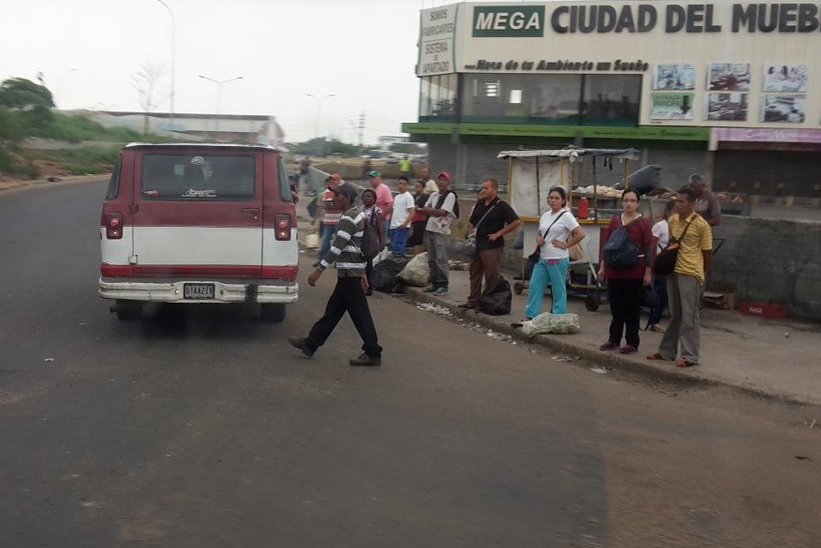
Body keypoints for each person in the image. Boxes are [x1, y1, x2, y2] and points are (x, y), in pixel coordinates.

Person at [289, 183, 382, 367]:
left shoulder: (349, 217)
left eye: (338, 195)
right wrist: (362, 270)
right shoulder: (356, 214)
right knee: (333, 312)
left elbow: (337, 247)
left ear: (347, 197)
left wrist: (319, 270)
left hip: (349, 273)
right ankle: (311, 343)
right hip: (350, 272)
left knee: (360, 314)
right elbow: (357, 246)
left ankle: (373, 351)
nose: (333, 198)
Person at [647, 185, 713, 368]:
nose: (678, 204)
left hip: (691, 273)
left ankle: (690, 355)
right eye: (677, 200)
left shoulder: (702, 225)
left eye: (682, 201)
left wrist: (704, 276)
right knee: (675, 314)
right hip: (673, 271)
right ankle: (667, 352)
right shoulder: (673, 220)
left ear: (692, 203)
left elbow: (707, 254)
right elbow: (671, 244)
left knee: (689, 316)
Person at [597, 189, 654, 355]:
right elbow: (607, 246)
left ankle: (632, 342)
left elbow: (648, 248)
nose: (629, 203)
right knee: (616, 307)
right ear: (622, 202)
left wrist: (648, 272)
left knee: (632, 308)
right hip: (615, 271)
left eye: (632, 200)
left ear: (637, 203)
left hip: (634, 271)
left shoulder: (643, 223)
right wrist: (602, 266)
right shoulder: (615, 221)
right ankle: (614, 339)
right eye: (626, 200)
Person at [459, 178, 521, 310]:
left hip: (492, 247)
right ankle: (473, 300)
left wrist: (499, 234)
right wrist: (469, 232)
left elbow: (516, 222)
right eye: (482, 188)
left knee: (491, 276)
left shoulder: (501, 205)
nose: (483, 190)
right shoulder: (480, 203)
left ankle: (487, 301)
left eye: (486, 188)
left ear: (494, 189)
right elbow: (472, 221)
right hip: (477, 245)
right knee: (474, 274)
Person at [525, 186, 585, 319]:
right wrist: (538, 239)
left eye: (557, 198)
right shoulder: (545, 215)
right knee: (535, 286)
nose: (553, 200)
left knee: (558, 289)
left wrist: (566, 245)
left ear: (563, 200)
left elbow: (580, 234)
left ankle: (558, 316)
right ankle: (531, 315)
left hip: (557, 258)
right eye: (551, 198)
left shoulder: (566, 216)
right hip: (542, 257)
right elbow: (540, 233)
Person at [418, 171, 458, 296]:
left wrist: (431, 210)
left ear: (448, 182)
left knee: (441, 259)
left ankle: (443, 285)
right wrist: (432, 210)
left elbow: (442, 212)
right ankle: (435, 283)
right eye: (439, 180)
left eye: (444, 180)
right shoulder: (434, 195)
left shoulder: (450, 195)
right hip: (430, 228)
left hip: (441, 230)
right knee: (431, 259)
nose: (441, 182)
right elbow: (424, 209)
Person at [648, 199, 676, 332]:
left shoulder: (680, 227)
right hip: (661, 265)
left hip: (674, 265)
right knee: (662, 294)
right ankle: (654, 321)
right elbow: (651, 246)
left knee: (668, 294)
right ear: (668, 212)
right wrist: (651, 266)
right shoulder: (660, 226)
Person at [314, 174, 344, 267]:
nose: (333, 182)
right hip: (328, 221)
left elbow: (341, 204)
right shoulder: (326, 192)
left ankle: (338, 261)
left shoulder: (341, 192)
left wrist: (332, 205)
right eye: (332, 180)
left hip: (338, 221)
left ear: (338, 181)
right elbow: (324, 205)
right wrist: (331, 205)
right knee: (325, 242)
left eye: (334, 180)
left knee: (338, 242)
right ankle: (322, 260)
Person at [360, 188, 385, 295]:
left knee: (369, 263)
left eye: (370, 196)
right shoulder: (360, 209)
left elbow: (380, 227)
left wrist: (381, 241)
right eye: (365, 196)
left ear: (374, 198)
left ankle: (368, 287)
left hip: (371, 239)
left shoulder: (377, 210)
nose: (367, 198)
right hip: (360, 238)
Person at [389, 175, 416, 257]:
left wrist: (405, 224)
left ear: (407, 185)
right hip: (393, 226)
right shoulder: (396, 197)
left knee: (399, 248)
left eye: (403, 184)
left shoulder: (408, 197)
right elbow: (393, 210)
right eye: (400, 183)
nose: (401, 186)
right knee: (393, 247)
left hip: (401, 226)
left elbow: (412, 212)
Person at [367, 170, 393, 240]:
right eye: (370, 178)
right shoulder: (373, 190)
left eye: (373, 178)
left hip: (382, 220)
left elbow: (390, 204)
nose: (371, 180)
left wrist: (381, 216)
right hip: (373, 220)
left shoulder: (384, 189)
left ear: (379, 178)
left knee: (380, 240)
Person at [407, 179, 429, 255]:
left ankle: (417, 256)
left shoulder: (426, 197)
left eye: (418, 187)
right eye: (415, 186)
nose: (416, 188)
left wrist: (419, 209)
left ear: (423, 188)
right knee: (414, 239)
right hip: (414, 220)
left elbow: (427, 209)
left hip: (422, 221)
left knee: (419, 240)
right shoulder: (413, 197)